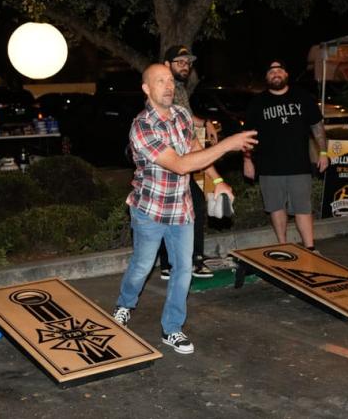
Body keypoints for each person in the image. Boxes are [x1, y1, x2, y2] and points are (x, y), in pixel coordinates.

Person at [113, 63, 258, 354]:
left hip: (181, 209)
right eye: (160, 81)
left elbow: (193, 151)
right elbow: (179, 165)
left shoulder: (180, 115)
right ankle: (125, 304)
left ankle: (172, 328)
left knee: (183, 270)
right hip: (150, 210)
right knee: (142, 266)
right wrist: (228, 143)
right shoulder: (142, 127)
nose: (168, 86)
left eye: (170, 81)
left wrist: (216, 181)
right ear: (146, 89)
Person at [243, 59, 329, 251]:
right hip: (268, 166)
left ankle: (310, 247)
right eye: (271, 71)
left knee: (303, 208)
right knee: (275, 207)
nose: (276, 73)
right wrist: (247, 160)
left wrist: (323, 152)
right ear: (266, 77)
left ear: (286, 75)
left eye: (279, 70)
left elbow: (317, 127)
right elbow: (247, 136)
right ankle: (283, 245)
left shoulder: (303, 97)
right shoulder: (258, 103)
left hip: (299, 165)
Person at [157, 45, 219, 280]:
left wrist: (204, 123)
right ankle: (183, 262)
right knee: (182, 207)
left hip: (181, 156)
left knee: (189, 206)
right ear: (167, 64)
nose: (185, 66)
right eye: (179, 62)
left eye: (188, 63)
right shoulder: (162, 86)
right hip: (167, 159)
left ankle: (179, 262)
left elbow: (184, 116)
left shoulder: (179, 88)